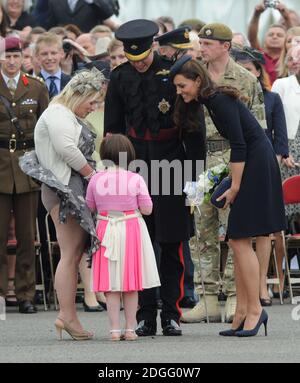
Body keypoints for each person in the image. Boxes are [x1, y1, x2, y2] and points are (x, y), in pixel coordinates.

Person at [171, 55, 286, 337]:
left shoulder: (218, 101)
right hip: (252, 161)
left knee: (239, 238)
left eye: (182, 85)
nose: (179, 91)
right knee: (238, 240)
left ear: (198, 80)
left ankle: (254, 310)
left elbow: (239, 144)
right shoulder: (212, 99)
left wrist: (234, 186)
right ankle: (245, 312)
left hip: (254, 163)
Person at [104, 19, 206, 336]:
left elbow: (194, 130)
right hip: (135, 167)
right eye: (133, 58)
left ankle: (171, 312)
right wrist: (115, 177)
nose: (140, 64)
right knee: (139, 243)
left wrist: (195, 181)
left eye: (144, 56)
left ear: (153, 46)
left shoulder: (174, 73)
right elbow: (113, 133)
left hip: (172, 164)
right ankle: (146, 314)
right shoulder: (119, 78)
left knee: (172, 240)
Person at [182, 23, 266, 325]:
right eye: (201, 43)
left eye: (208, 43)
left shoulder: (245, 79)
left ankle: (234, 296)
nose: (202, 48)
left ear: (225, 46)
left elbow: (258, 128)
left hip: (233, 156)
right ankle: (206, 297)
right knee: (199, 228)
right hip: (197, 157)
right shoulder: (194, 76)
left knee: (234, 230)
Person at [20, 68, 106, 339]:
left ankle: (67, 316)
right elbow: (66, 148)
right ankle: (66, 316)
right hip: (62, 188)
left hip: (67, 186)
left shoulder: (63, 113)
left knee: (74, 253)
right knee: (70, 254)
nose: (93, 108)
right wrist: (92, 175)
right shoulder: (58, 113)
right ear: (77, 95)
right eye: (91, 101)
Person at [86, 134, 160, 340]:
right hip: (130, 228)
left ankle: (114, 330)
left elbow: (89, 206)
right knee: (130, 283)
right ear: (128, 154)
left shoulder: (95, 178)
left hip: (105, 228)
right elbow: (147, 209)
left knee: (111, 285)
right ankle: (130, 329)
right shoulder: (135, 178)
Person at [233, 46, 289, 306]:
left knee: (265, 230)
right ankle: (244, 291)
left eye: (248, 70)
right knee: (242, 233)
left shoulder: (271, 98)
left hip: (264, 165)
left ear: (258, 73)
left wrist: (273, 164)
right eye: (239, 70)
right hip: (237, 162)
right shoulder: (228, 99)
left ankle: (262, 288)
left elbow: (280, 137)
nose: (243, 74)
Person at [0, 36, 49, 314]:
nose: (11, 61)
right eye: (6, 56)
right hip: (0, 167)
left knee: (26, 236)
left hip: (27, 166)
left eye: (15, 57)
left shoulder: (37, 88)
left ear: (23, 58)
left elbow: (44, 129)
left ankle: (25, 293)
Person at [271, 46, 300, 297]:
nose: (295, 61)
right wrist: (282, 152)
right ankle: (280, 276)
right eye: (291, 57)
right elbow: (274, 121)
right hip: (289, 151)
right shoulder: (282, 84)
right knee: (283, 218)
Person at [248, 2, 290, 84]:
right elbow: (252, 38)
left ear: (287, 40)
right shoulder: (259, 55)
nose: (274, 37)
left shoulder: (289, 56)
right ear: (264, 40)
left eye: (279, 35)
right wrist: (257, 13)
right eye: (271, 34)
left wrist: (286, 17)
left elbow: (295, 35)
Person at [34, 33, 71, 99]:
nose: (49, 58)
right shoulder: (32, 84)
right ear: (37, 56)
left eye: (53, 53)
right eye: (44, 54)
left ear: (62, 53)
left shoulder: (71, 82)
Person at [47, 0, 119, 33]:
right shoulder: (54, 1)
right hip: (65, 42)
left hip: (90, 40)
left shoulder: (94, 2)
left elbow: (108, 14)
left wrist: (92, 2)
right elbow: (51, 24)